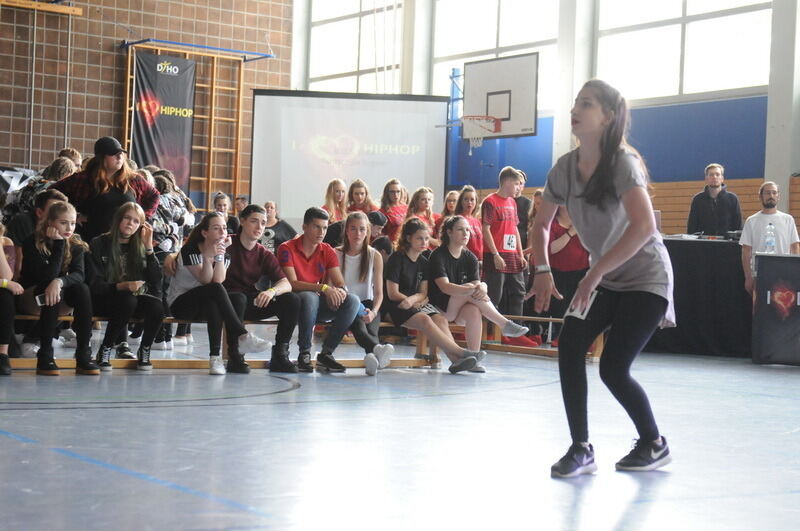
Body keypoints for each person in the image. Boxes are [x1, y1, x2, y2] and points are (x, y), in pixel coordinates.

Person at [528, 79, 675, 478]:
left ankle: (654, 442)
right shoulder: (564, 169)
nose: (577, 109)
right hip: (607, 278)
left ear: (608, 117)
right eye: (576, 101)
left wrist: (593, 272)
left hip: (646, 278)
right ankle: (581, 448)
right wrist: (542, 269)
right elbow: (541, 224)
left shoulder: (622, 163)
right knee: (570, 342)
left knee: (613, 367)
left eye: (587, 104)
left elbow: (644, 226)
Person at [165, 212, 272, 375]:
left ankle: (215, 359)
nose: (222, 233)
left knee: (226, 299)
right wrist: (208, 258)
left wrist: (220, 256)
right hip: (181, 304)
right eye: (216, 228)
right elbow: (206, 281)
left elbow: (219, 279)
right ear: (205, 233)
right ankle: (242, 334)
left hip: (204, 302)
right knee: (214, 291)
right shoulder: (190, 250)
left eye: (224, 228)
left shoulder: (225, 253)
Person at [428, 216, 529, 373]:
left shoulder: (470, 257)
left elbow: (477, 286)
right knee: (471, 288)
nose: (466, 233)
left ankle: (474, 359)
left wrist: (483, 287)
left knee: (474, 310)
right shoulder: (438, 255)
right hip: (441, 308)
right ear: (449, 232)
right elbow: (445, 287)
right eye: (461, 229)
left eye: (468, 229)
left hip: (460, 308)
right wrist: (473, 288)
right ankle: (503, 324)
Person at [384, 217, 483, 374]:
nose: (424, 242)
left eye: (426, 238)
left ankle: (456, 361)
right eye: (419, 238)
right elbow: (392, 293)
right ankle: (462, 353)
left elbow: (423, 293)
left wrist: (415, 300)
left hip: (417, 303)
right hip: (396, 305)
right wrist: (409, 300)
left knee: (440, 319)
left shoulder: (424, 261)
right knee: (425, 319)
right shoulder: (397, 259)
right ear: (408, 238)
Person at [20, 201, 100, 375]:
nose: (69, 228)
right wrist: (59, 245)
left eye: (72, 223)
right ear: (50, 222)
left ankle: (83, 354)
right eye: (63, 223)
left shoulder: (77, 244)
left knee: (81, 289)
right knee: (47, 287)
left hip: (58, 295)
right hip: (31, 297)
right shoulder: (32, 241)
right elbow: (46, 277)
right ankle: (45, 355)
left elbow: (79, 274)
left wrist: (60, 282)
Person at [278, 207, 360, 373]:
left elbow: (339, 282)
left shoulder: (327, 250)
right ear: (304, 227)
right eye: (317, 226)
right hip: (292, 306)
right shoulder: (286, 248)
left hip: (315, 305)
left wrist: (340, 292)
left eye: (325, 227)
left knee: (353, 301)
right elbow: (292, 283)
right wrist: (324, 288)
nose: (321, 232)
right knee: (310, 297)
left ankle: (326, 354)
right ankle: (305, 353)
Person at [225, 204, 300, 374]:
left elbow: (286, 283)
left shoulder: (264, 253)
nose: (259, 227)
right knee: (238, 298)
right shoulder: (227, 241)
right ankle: (235, 357)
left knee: (292, 300)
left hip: (250, 302)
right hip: (226, 304)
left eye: (263, 223)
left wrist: (271, 291)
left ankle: (280, 355)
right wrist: (172, 256)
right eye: (254, 221)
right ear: (242, 221)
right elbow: (198, 245)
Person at [89, 203, 164, 371]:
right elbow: (95, 285)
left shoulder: (140, 246)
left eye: (136, 221)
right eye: (127, 218)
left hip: (132, 301)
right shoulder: (100, 242)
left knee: (157, 306)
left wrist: (149, 249)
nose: (130, 223)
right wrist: (123, 286)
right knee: (128, 300)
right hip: (104, 299)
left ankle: (145, 350)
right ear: (118, 219)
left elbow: (156, 280)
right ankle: (105, 349)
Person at [51, 136, 160, 244]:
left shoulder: (133, 179)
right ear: (101, 157)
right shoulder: (83, 179)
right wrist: (73, 216)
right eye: (113, 153)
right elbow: (52, 193)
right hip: (91, 241)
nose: (119, 156)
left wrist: (141, 218)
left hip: (125, 242)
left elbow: (154, 195)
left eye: (121, 153)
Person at [482, 166, 537, 348]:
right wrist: (496, 254)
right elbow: (486, 228)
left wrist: (521, 254)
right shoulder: (490, 201)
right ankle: (489, 331)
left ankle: (516, 331)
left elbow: (513, 229)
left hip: (512, 253)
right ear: (507, 182)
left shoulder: (513, 203)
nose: (519, 188)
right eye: (517, 184)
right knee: (494, 295)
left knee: (518, 292)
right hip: (495, 254)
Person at [335, 212, 394, 376]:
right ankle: (377, 350)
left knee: (371, 328)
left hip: (368, 304)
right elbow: (332, 286)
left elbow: (379, 293)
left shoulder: (374, 255)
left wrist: (374, 311)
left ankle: (371, 358)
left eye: (362, 229)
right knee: (360, 326)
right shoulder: (336, 253)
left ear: (367, 231)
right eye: (353, 229)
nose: (357, 234)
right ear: (346, 231)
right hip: (346, 304)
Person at [740, 181, 800, 295]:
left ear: (778, 196)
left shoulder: (788, 219)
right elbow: (746, 251)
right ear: (760, 196)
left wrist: (794, 273)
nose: (771, 196)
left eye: (774, 193)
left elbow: (795, 247)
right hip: (759, 274)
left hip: (784, 274)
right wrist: (748, 277)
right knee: (760, 309)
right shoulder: (751, 221)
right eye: (767, 193)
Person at [545, 206, 590, 346]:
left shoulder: (583, 221)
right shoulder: (551, 222)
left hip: (582, 270)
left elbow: (592, 245)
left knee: (579, 306)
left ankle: (583, 337)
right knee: (560, 306)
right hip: (557, 271)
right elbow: (552, 248)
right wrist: (571, 233)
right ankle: (561, 336)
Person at [686, 163, 742, 236]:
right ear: (706, 178)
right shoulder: (698, 199)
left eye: (717, 174)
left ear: (722, 178)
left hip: (727, 244)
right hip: (703, 244)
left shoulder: (732, 199)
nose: (714, 177)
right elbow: (692, 226)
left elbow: (738, 225)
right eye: (711, 175)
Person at [0, 221, 23, 375]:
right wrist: (2, 282)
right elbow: (5, 281)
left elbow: (8, 276)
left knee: (5, 293)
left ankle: (2, 353)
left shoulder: (5, 242)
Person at [454, 185, 483, 260]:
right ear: (461, 201)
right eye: (466, 199)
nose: (469, 202)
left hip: (479, 262)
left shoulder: (477, 221)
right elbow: (458, 243)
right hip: (465, 260)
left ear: (476, 202)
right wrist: (471, 259)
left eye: (472, 199)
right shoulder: (458, 219)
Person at [379, 178, 408, 243]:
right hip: (392, 245)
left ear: (401, 192)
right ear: (387, 193)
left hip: (408, 245)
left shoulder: (407, 208)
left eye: (398, 191)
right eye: (392, 192)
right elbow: (379, 234)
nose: (395, 195)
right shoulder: (382, 212)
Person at [514, 177, 532, 251]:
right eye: (516, 183)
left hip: (523, 242)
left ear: (523, 186)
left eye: (521, 183)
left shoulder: (528, 203)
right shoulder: (505, 201)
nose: (518, 186)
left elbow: (531, 226)